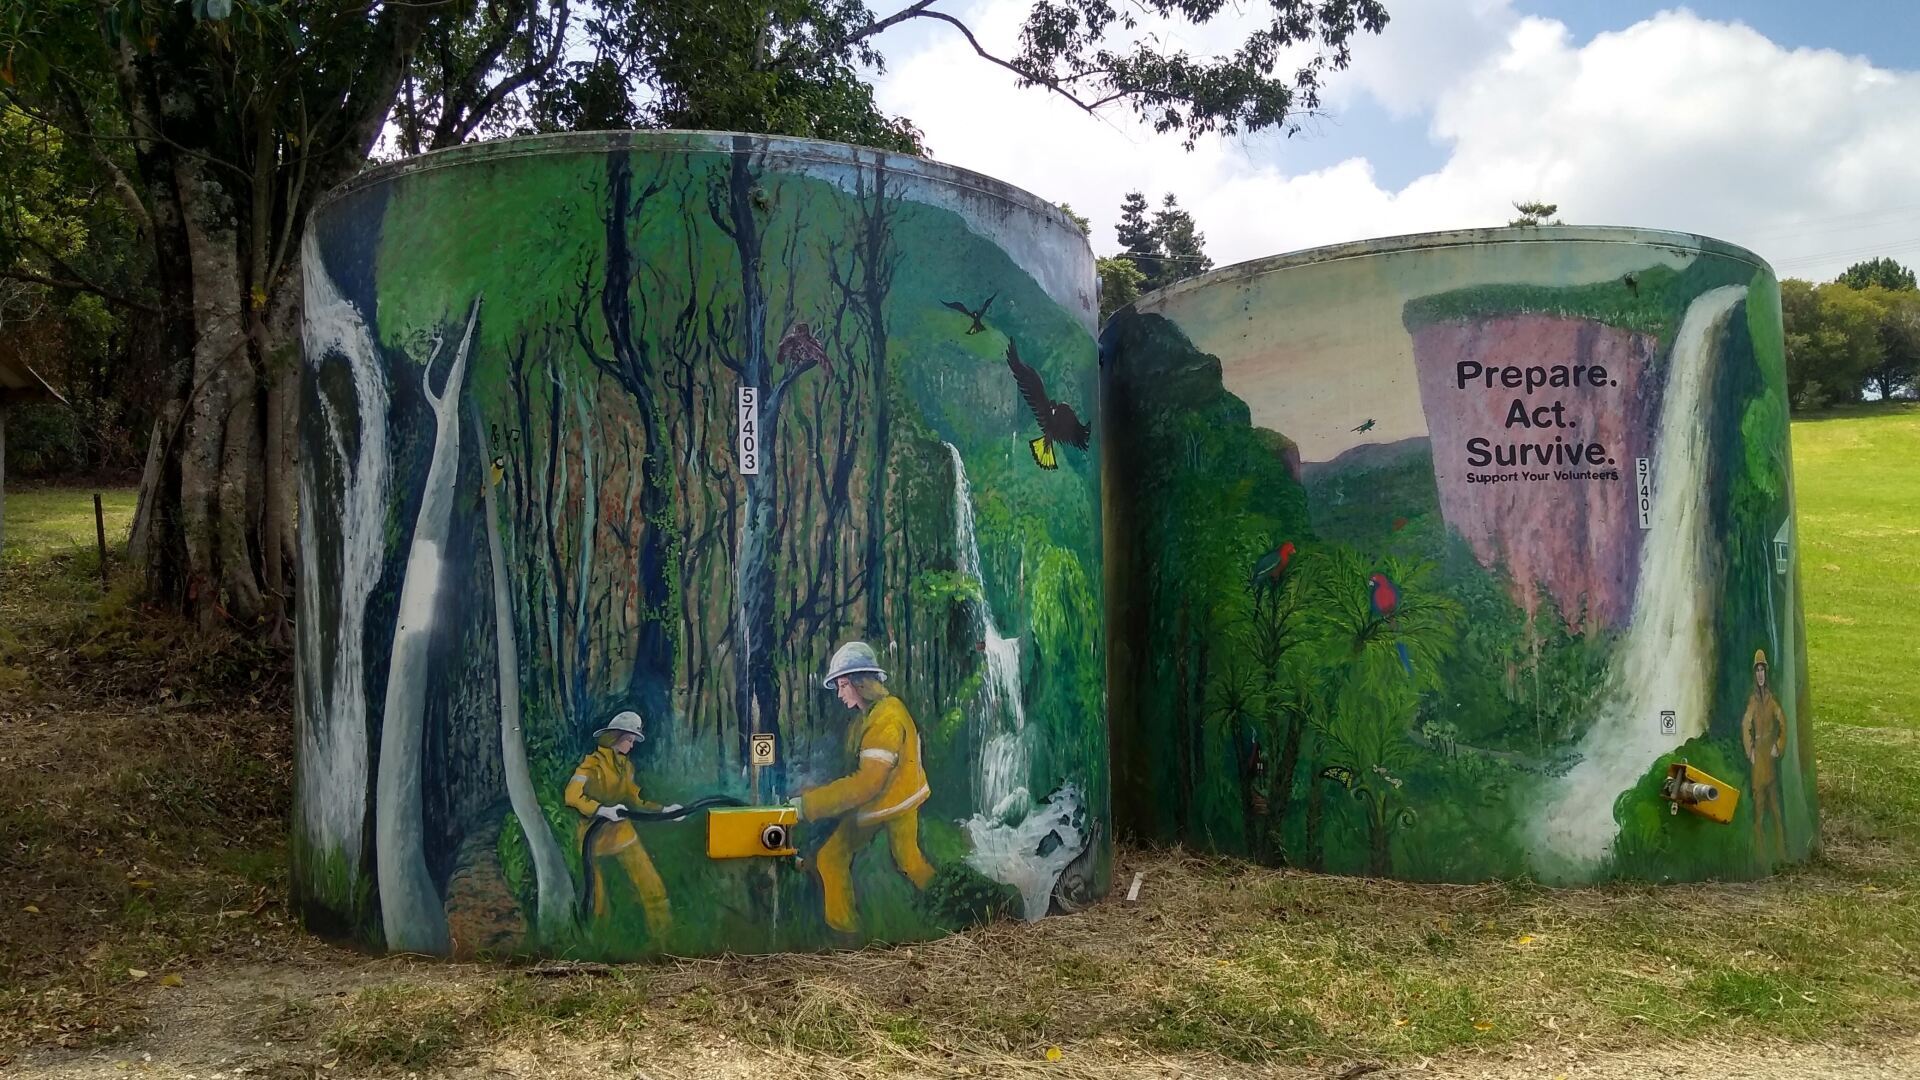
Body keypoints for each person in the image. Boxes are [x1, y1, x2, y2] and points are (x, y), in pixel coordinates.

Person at [790, 641, 935, 934]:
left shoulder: (887, 718)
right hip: (892, 798)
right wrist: (816, 793)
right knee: (909, 859)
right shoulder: (870, 716)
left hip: (889, 801)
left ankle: (845, 933)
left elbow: (866, 784)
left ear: (861, 683)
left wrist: (809, 806)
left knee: (833, 857)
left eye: (844, 686)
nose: (840, 693)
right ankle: (945, 900)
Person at [564, 710, 680, 935]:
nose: (632, 744)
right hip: (593, 840)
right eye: (629, 739)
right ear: (615, 737)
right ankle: (599, 949)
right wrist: (601, 810)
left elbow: (636, 801)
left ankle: (665, 941)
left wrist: (665, 811)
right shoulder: (592, 764)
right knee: (598, 904)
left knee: (652, 887)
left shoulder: (626, 768)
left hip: (622, 834)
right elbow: (571, 795)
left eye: (633, 740)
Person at [1740, 649, 1788, 862]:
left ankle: (1781, 854)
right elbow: (1745, 724)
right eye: (1757, 670)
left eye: (1763, 670)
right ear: (1754, 674)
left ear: (1766, 673)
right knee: (1758, 815)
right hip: (1758, 759)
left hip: (1769, 756)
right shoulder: (1753, 700)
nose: (1760, 674)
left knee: (1777, 813)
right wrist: (1749, 749)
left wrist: (1779, 744)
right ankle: (1760, 858)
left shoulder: (1771, 700)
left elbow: (1782, 721)